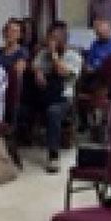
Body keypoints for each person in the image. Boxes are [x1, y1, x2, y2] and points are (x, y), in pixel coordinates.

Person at [31, 21, 83, 174]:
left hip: (64, 99)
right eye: (49, 38)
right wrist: (37, 72)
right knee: (22, 106)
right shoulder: (42, 53)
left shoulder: (74, 56)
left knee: (53, 112)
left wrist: (54, 56)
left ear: (63, 39)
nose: (51, 42)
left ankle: (53, 155)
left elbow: (63, 72)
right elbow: (34, 65)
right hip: (45, 94)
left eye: (55, 38)